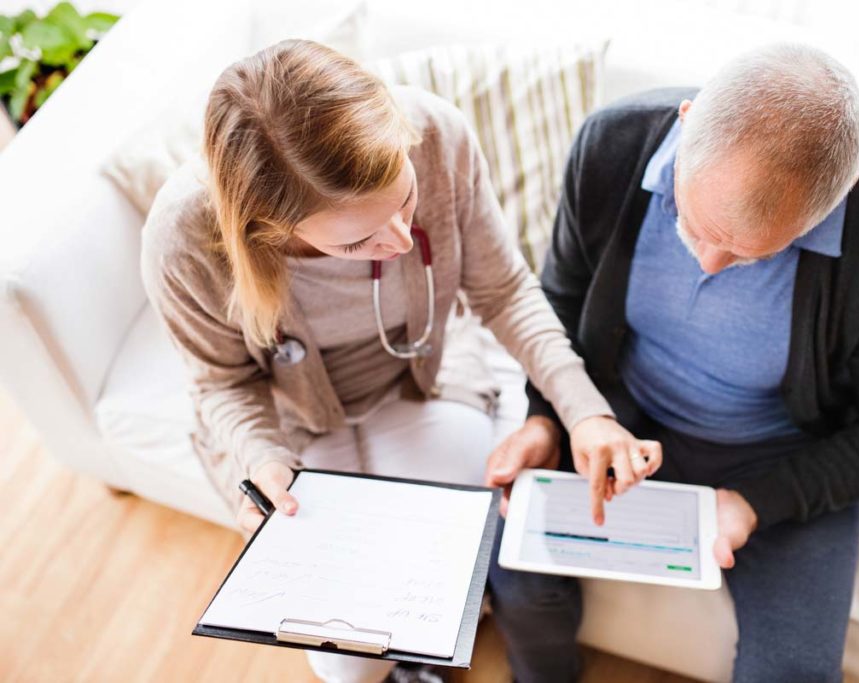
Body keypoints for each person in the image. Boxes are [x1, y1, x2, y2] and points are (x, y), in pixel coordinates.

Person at [140, 40, 662, 683]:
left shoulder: (438, 136)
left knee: (445, 586)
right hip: (290, 427)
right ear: (269, 228)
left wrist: (584, 413)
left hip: (422, 384)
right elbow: (221, 383)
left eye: (405, 200)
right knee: (347, 668)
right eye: (357, 239)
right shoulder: (184, 238)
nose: (398, 240)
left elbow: (503, 292)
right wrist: (265, 464)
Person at [489, 43, 859, 682]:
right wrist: (547, 418)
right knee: (516, 574)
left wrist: (755, 503)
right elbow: (560, 301)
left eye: (747, 254)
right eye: (695, 224)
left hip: (786, 454)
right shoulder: (611, 145)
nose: (707, 264)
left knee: (792, 672)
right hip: (619, 417)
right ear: (685, 121)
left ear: (831, 205)